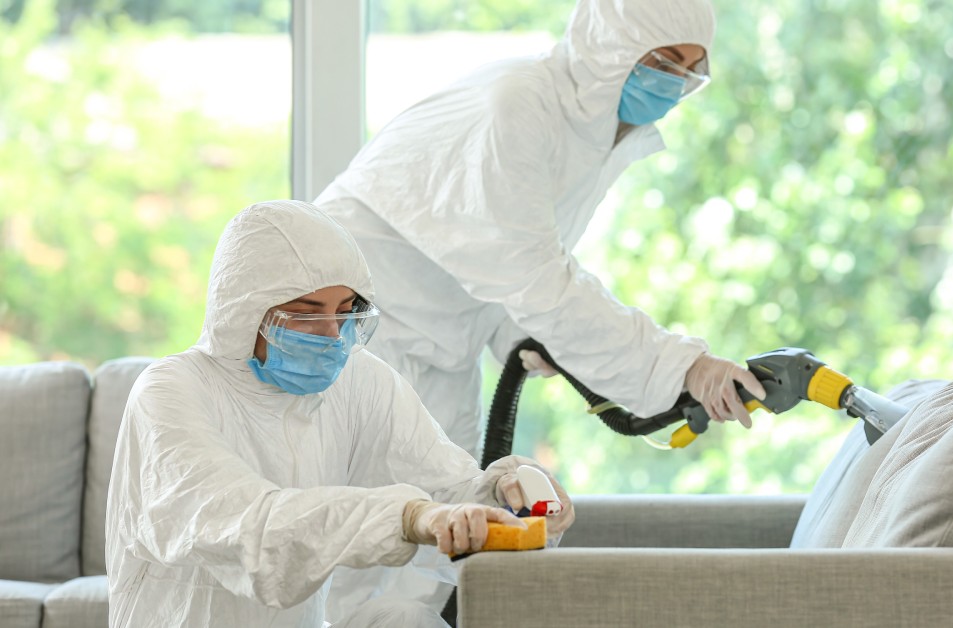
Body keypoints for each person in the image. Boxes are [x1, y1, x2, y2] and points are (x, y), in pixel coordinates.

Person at [314, 0, 768, 461]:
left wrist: (527, 334)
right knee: (361, 519)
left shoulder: (591, 133)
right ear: (611, 46)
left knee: (453, 515)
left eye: (689, 71)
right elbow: (536, 279)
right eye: (664, 62)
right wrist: (684, 367)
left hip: (442, 351)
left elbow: (495, 256)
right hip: (356, 330)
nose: (673, 83)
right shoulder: (519, 105)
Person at [105, 200, 575, 628]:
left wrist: (507, 499)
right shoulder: (171, 391)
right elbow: (253, 530)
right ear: (244, 311)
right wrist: (409, 516)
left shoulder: (356, 381)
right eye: (309, 314)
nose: (333, 335)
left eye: (346, 311)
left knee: (404, 621)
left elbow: (447, 491)